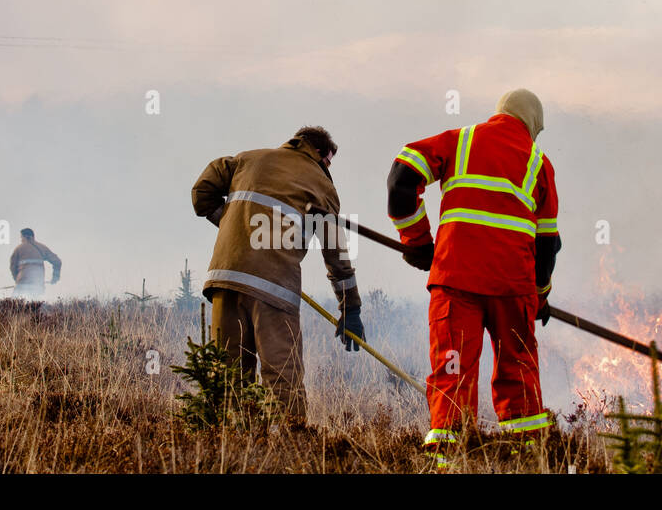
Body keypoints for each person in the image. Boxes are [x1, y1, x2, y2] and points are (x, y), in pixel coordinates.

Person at [386, 88, 561, 468]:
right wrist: (540, 296)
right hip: (513, 290)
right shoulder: (539, 163)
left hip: (456, 282)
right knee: (519, 372)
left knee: (453, 370)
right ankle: (528, 459)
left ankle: (448, 463)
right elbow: (548, 245)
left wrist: (417, 241)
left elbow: (401, 180)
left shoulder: (460, 141)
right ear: (532, 124)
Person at [192, 126, 364, 425]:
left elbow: (201, 194)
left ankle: (227, 450)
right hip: (274, 288)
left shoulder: (246, 160)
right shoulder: (320, 184)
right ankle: (289, 451)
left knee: (229, 375)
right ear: (322, 154)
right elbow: (335, 253)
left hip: (225, 279)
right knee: (282, 376)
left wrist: (235, 227)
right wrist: (351, 307)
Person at [9, 228, 61, 298]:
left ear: (24, 237)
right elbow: (57, 261)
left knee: (14, 305)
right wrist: (55, 277)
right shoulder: (42, 248)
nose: (21, 240)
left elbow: (13, 267)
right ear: (33, 236)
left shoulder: (18, 249)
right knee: (35, 305)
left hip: (22, 282)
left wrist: (17, 279)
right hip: (38, 283)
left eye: (21, 237)